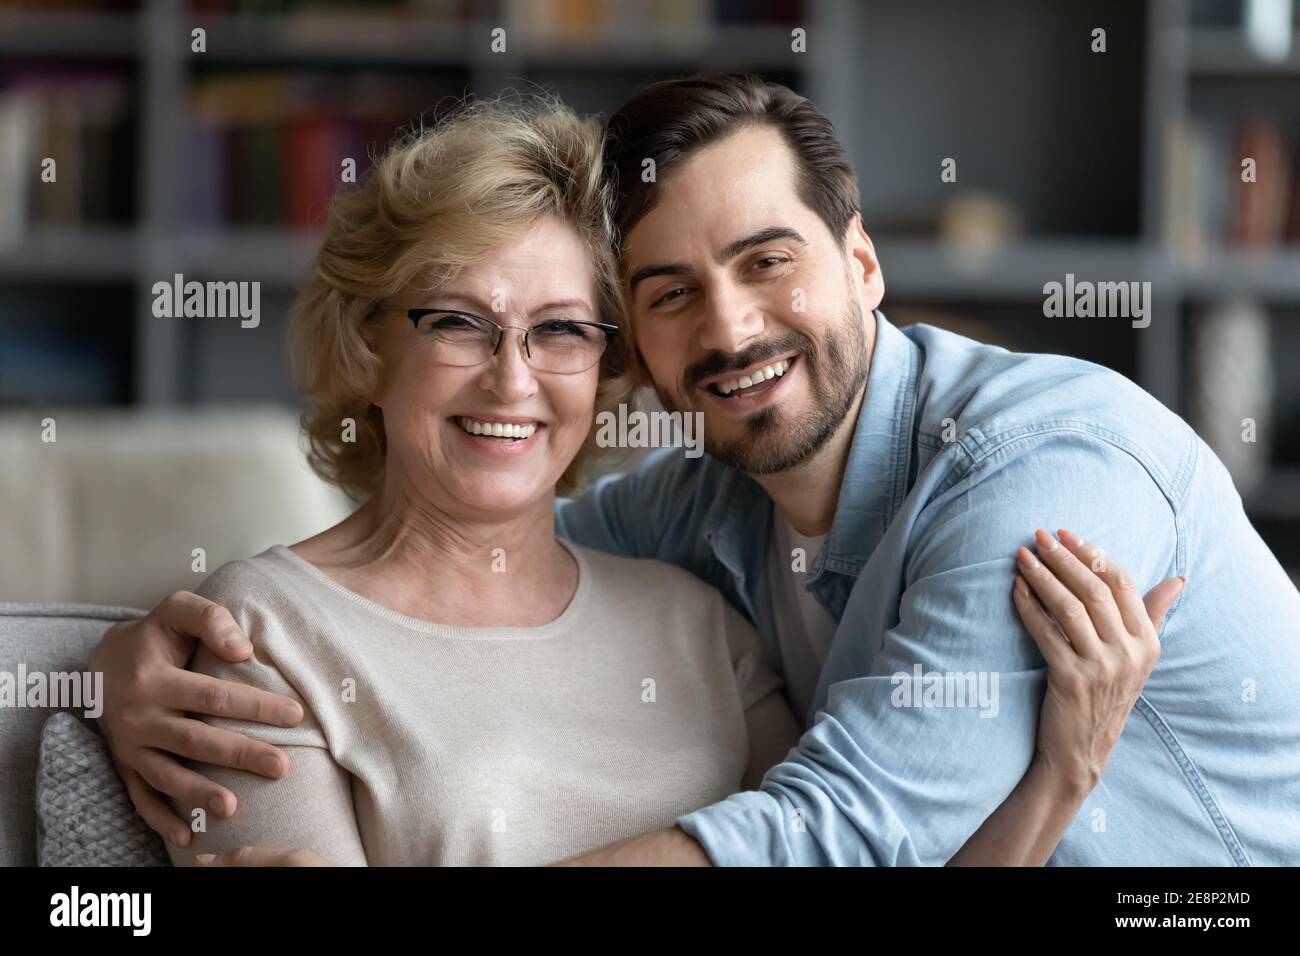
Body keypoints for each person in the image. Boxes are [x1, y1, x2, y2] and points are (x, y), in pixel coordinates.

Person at [95, 76, 1274, 867]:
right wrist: (106, 650)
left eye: (768, 260)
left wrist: (1060, 787)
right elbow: (466, 565)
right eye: (666, 293)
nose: (730, 327)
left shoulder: (1040, 468)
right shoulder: (698, 510)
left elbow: (846, 833)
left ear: (862, 262)